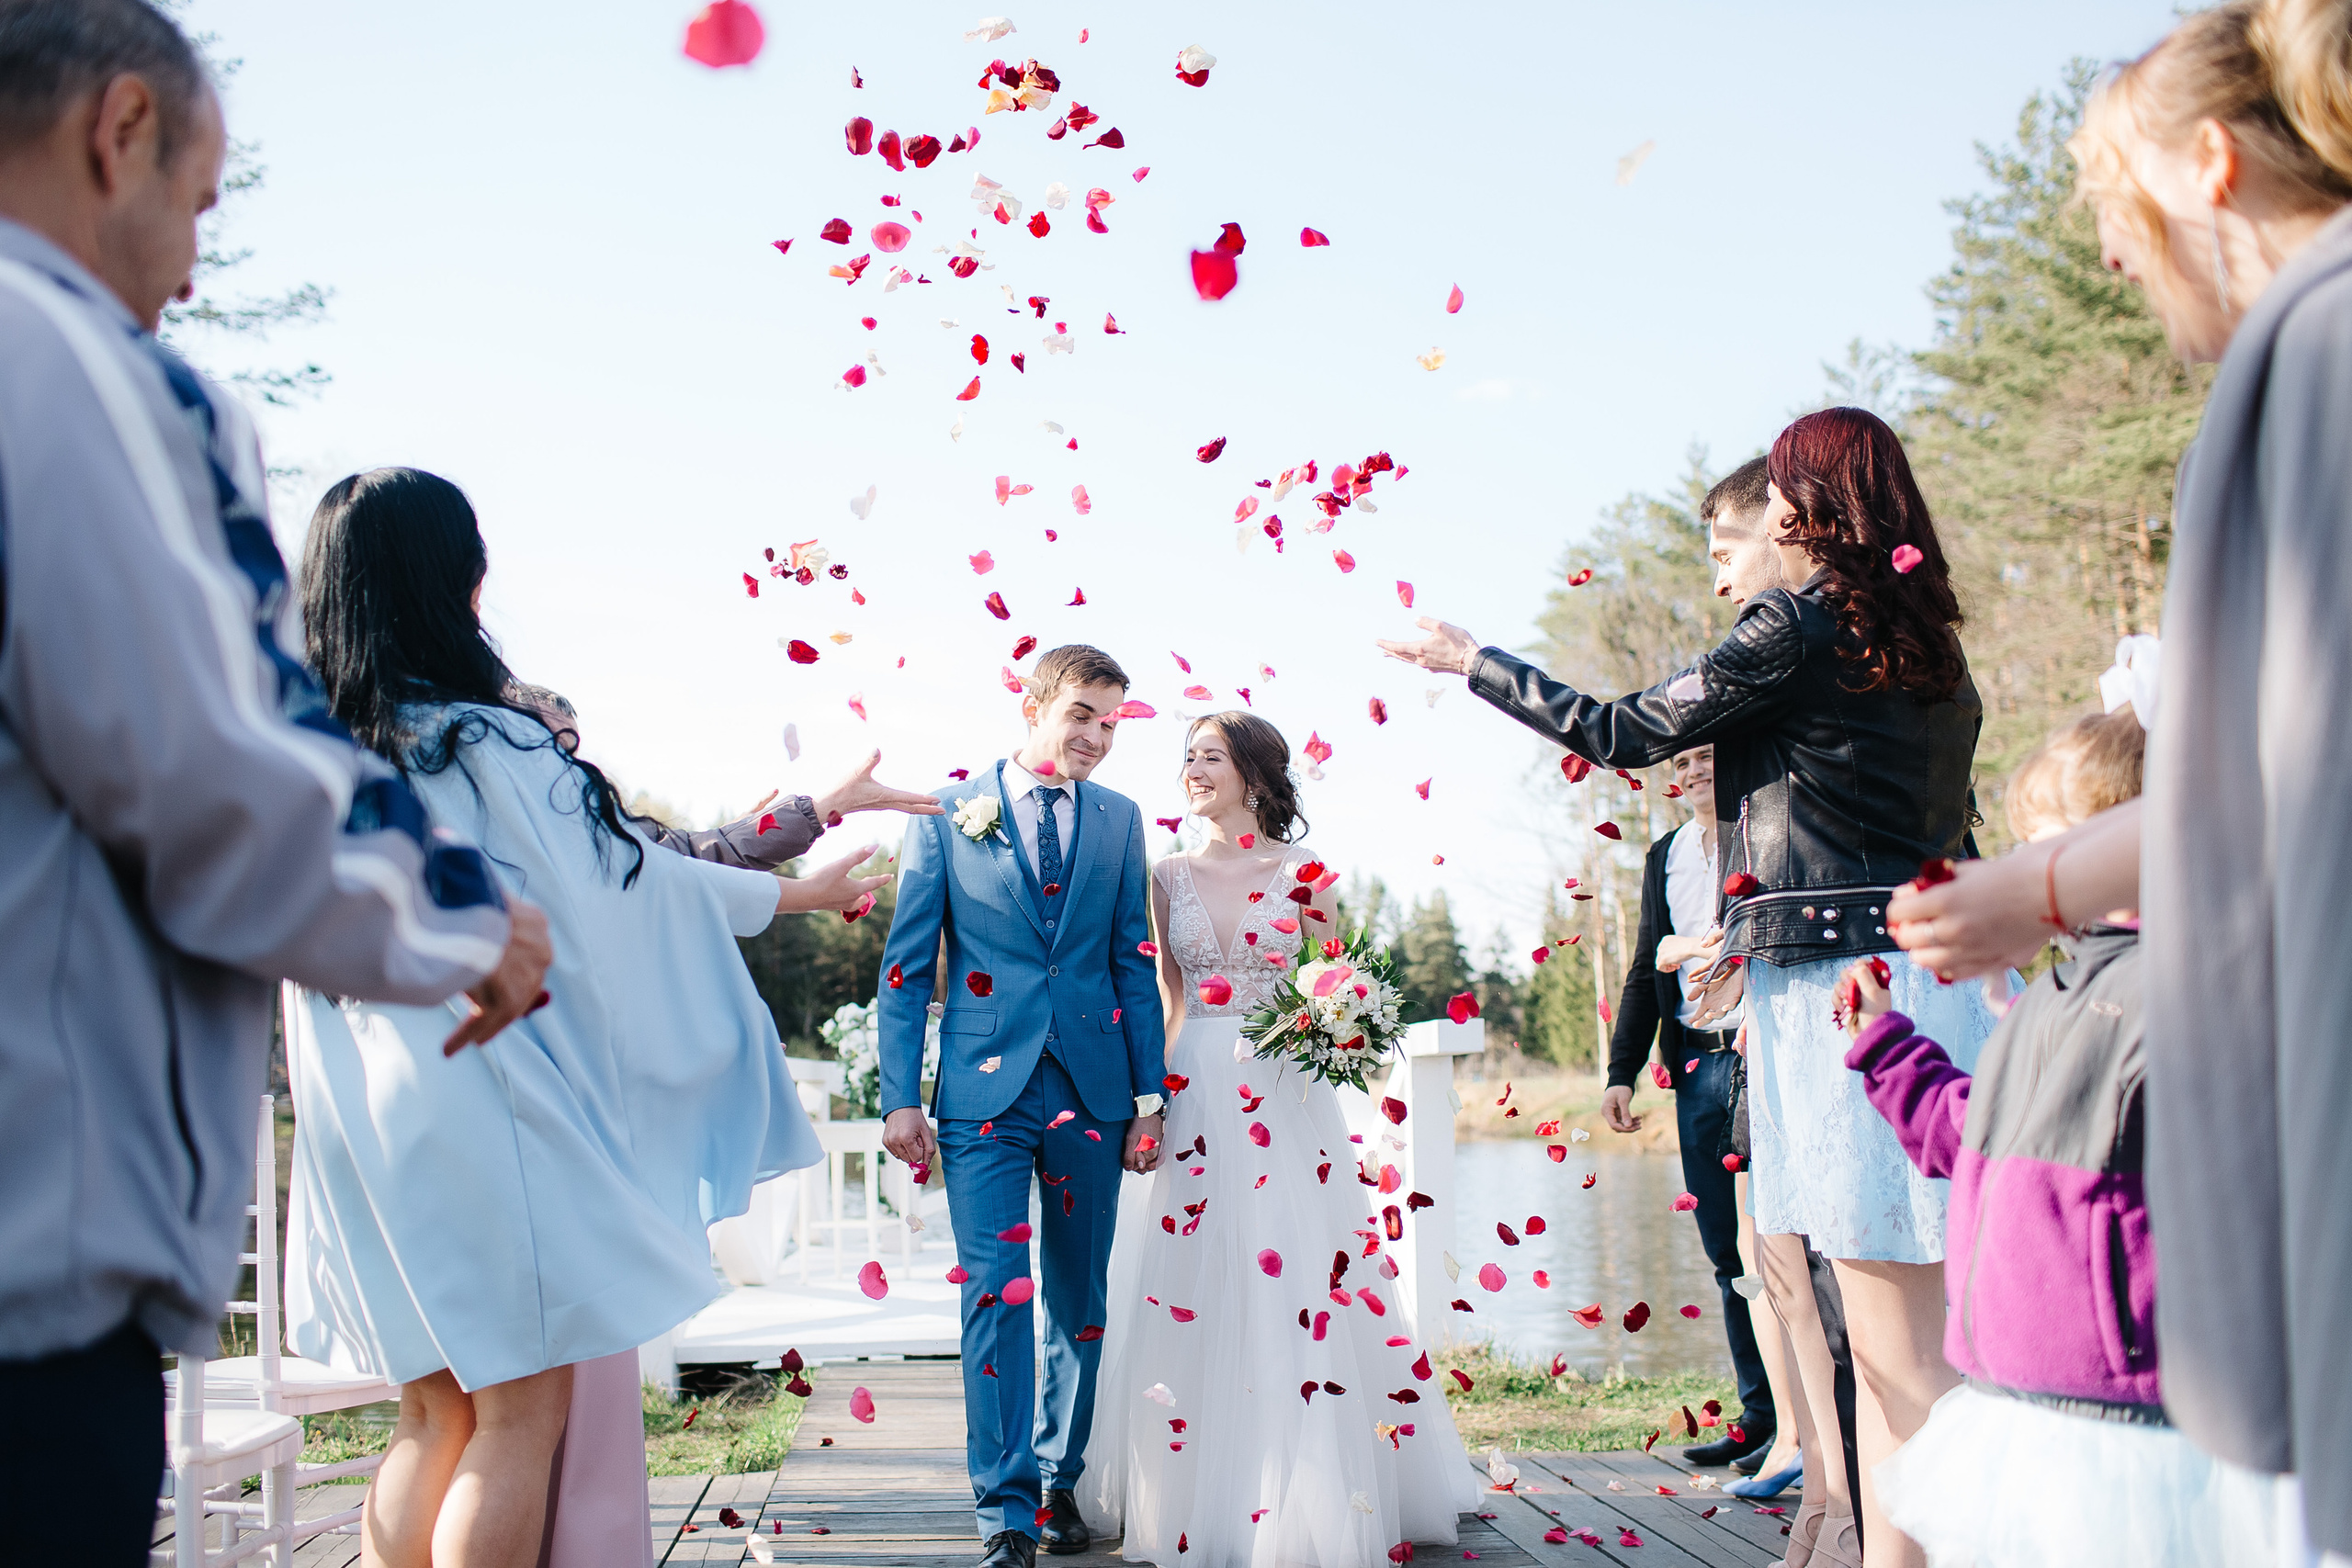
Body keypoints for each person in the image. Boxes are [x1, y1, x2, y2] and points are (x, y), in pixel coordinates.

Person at [0, 9, 548, 1565]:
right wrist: (464, 919)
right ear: (120, 132)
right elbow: (207, 764)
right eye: (204, 193)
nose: (192, 253)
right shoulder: (71, 361)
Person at [1883, 4, 2352, 1554]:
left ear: (2209, 164)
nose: (2108, 259)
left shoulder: (2313, 345)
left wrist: (2039, 886)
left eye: (2112, 209)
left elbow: (2278, 768)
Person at [1381, 407, 1996, 1568]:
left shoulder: (1796, 624)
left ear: (1806, 505)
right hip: (1930, 982)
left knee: (1885, 1337)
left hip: (1834, 995)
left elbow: (1623, 731)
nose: (1762, 509)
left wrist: (1475, 663)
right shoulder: (1927, 638)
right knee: (1917, 1329)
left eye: (1776, 490)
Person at [281, 468, 865, 1568]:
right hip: (480, 1091)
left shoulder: (308, 761)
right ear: (450, 580)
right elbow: (627, 890)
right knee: (515, 1418)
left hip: (356, 1115)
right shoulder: (485, 744)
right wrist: (801, 894)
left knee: (427, 1415)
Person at [502, 682, 944, 1568]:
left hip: (569, 1132)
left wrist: (817, 812)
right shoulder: (515, 832)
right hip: (531, 1119)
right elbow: (688, 867)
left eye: (575, 740)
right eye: (547, 738)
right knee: (502, 1417)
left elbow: (698, 857)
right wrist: (804, 884)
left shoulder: (582, 828)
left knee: (538, 1405)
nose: (568, 758)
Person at [1847, 706, 2282, 1566]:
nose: (2027, 873)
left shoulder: (2195, 990)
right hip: (2018, 1411)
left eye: (2057, 852)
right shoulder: (2046, 997)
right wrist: (1882, 1042)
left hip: (2134, 1428)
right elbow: (1963, 1134)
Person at [1080, 712, 1476, 1567]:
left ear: (1253, 774)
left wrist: (1341, 1025)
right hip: (1190, 1084)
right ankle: (1192, 1488)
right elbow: (1167, 998)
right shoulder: (1166, 874)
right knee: (1190, 1274)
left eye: (1209, 755)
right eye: (1186, 754)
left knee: (1295, 1269)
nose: (1192, 767)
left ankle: (1309, 1491)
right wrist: (1151, 1102)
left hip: (1281, 1091)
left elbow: (1339, 982)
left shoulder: (1305, 873)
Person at [876, 645, 1168, 1568]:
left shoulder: (1121, 823)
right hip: (977, 1097)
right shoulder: (946, 813)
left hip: (1091, 1090)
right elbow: (904, 965)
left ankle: (1056, 1483)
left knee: (1079, 1298)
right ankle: (1002, 1509)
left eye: (1112, 722)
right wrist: (899, 1097)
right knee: (997, 1294)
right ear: (1035, 705)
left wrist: (1148, 1096)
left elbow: (1131, 962)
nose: (1097, 737)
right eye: (1082, 714)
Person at [1604, 734, 1778, 1474]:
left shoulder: (1768, 833)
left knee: (1788, 1246)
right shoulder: (1663, 855)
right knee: (1725, 1250)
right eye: (1680, 763)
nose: (1693, 770)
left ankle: (1820, 1425)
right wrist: (1622, 1070)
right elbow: (1647, 967)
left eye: (1706, 756)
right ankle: (1761, 1418)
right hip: (1698, 1063)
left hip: (1764, 1053)